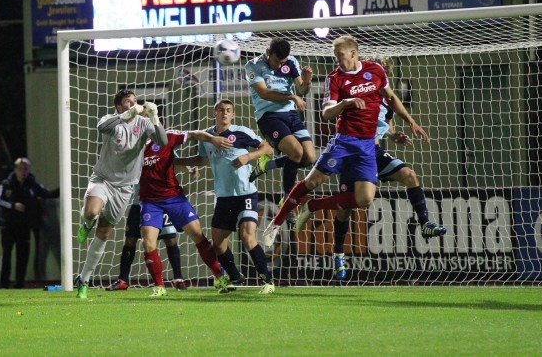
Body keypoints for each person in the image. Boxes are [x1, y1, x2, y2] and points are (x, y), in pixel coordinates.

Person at [262, 36, 430, 249]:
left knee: (365, 199)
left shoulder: (375, 71)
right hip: (344, 142)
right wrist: (345, 102)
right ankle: (277, 223)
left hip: (368, 146)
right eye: (335, 57)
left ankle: (314, 205)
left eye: (340, 56)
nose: (337, 61)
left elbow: (391, 98)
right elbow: (326, 113)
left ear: (353, 53)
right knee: (312, 182)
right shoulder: (334, 78)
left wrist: (411, 121)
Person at [330, 58, 446, 280]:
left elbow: (387, 126)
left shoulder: (386, 100)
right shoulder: (357, 90)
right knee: (346, 207)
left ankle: (425, 224)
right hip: (354, 154)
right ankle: (338, 254)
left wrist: (394, 135)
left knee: (409, 175)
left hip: (374, 152)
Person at [74, 89, 167, 299]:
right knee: (91, 212)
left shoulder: (143, 124)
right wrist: (127, 115)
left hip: (125, 188)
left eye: (135, 101)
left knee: (104, 232)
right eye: (128, 102)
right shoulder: (111, 119)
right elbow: (101, 127)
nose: (133, 104)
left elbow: (162, 142)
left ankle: (84, 279)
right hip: (103, 179)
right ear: (119, 106)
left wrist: (155, 118)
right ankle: (86, 224)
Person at [180, 100, 276, 295]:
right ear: (214, 113)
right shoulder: (207, 136)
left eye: (229, 111)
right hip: (224, 197)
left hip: (246, 193)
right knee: (217, 243)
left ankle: (267, 281)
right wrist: (176, 161)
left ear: (232, 115)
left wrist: (247, 157)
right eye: (221, 110)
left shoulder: (241, 132)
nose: (225, 113)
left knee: (247, 236)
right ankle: (234, 276)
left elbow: (267, 148)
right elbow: (202, 159)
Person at [138, 128, 236, 297]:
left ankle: (219, 277)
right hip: (150, 201)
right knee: (148, 242)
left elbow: (194, 134)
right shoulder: (134, 146)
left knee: (198, 234)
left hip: (174, 197)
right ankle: (159, 286)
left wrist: (213, 139)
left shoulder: (168, 136)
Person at [246, 37, 315, 222]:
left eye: (282, 62)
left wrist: (306, 82)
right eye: (277, 61)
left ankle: (266, 165)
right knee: (296, 152)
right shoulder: (253, 65)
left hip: (291, 115)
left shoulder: (291, 62)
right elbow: (264, 93)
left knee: (310, 157)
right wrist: (292, 96)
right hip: (268, 116)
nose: (279, 65)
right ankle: (287, 201)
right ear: (268, 53)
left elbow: (302, 89)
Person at [104, 183, 189, 292]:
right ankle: (123, 280)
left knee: (170, 239)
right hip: (138, 203)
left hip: (161, 202)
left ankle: (178, 278)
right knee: (130, 239)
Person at [0, 157, 59, 288]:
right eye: (20, 169)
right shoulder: (6, 183)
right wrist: (14, 205)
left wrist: (62, 189)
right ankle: (4, 282)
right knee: (6, 253)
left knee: (23, 255)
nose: (23, 172)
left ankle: (19, 283)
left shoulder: (32, 183)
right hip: (8, 224)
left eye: (25, 169)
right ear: (15, 170)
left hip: (24, 225)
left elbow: (46, 193)